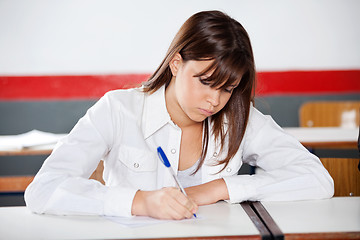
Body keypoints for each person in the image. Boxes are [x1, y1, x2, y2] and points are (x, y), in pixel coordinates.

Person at [25, 10, 334, 220]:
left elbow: (317, 179)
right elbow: (43, 189)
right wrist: (139, 202)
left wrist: (220, 189)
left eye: (228, 89)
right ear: (176, 64)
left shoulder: (239, 118)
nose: (215, 100)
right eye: (205, 81)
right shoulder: (118, 109)